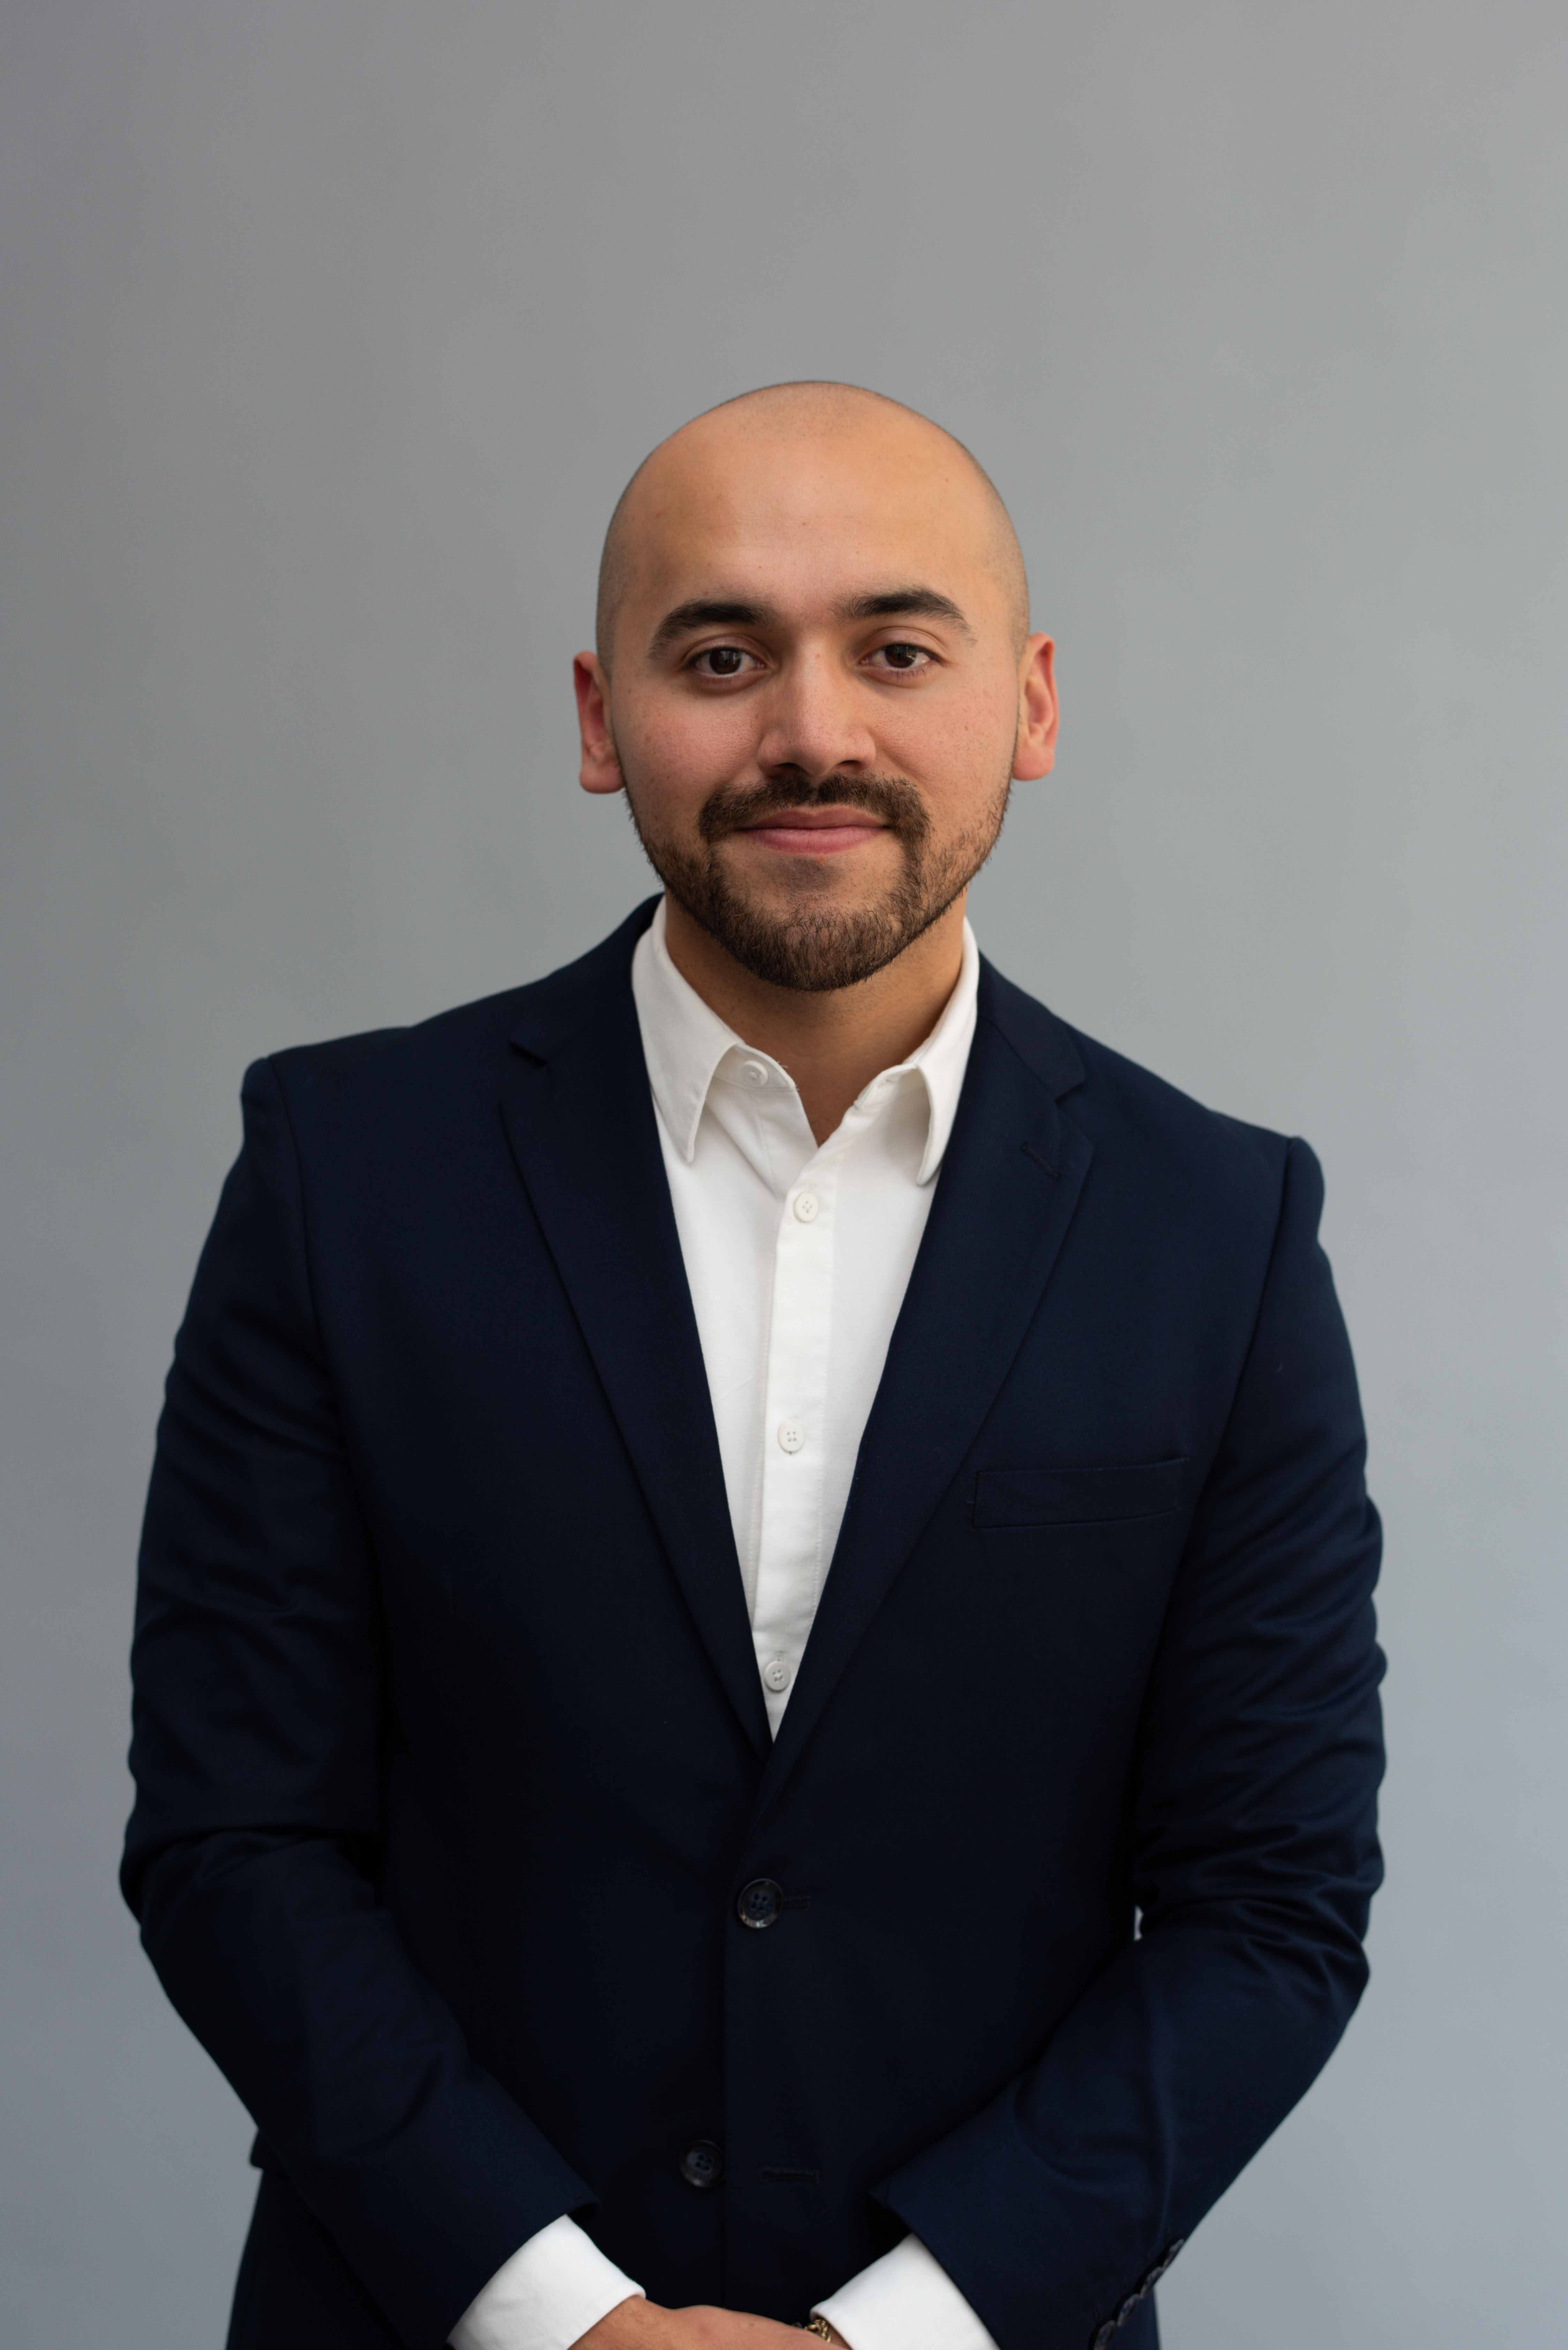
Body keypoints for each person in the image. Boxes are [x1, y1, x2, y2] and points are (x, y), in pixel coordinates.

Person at [123, 382, 1384, 2350]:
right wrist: (570, 2321)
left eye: (898, 650)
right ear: (598, 716)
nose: (813, 730)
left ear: (1032, 704)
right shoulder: (340, 1175)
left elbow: (1272, 1907)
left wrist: (900, 2334)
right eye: (721, 656)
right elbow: (235, 1841)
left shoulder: (1222, 1234)